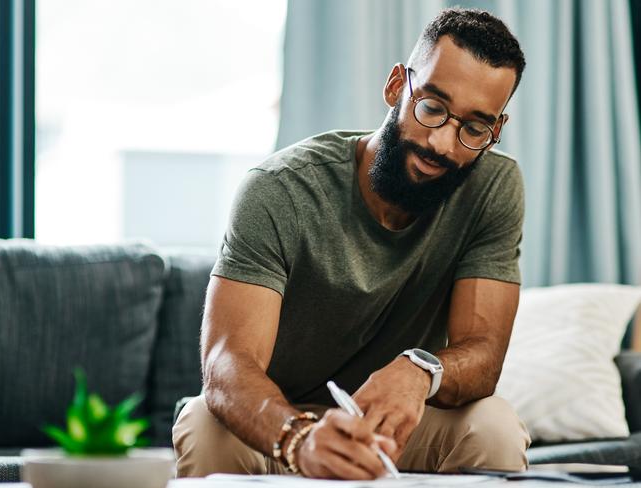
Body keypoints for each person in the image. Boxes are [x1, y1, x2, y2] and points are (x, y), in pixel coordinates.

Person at [173, 7, 531, 480]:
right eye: (432, 107)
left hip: (393, 427)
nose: (443, 144)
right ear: (396, 87)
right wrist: (298, 438)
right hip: (279, 420)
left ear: (496, 130)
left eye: (473, 128)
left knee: (494, 426)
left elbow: (482, 354)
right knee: (204, 422)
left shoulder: (492, 187)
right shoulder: (279, 189)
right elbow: (226, 364)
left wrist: (420, 370)